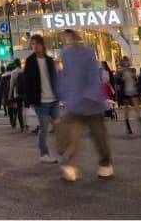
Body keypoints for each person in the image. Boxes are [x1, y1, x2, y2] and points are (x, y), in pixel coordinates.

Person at [55, 28, 113, 182]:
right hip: (75, 103)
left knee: (98, 136)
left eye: (69, 36)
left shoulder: (87, 52)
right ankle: (71, 166)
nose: (67, 40)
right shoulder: (65, 54)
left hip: (91, 103)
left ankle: (105, 162)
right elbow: (64, 76)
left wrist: (91, 93)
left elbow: (93, 74)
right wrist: (61, 93)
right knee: (70, 135)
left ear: (76, 36)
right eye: (65, 37)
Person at [21, 33, 62, 161]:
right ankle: (44, 154)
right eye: (32, 44)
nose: (34, 46)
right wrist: (30, 101)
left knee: (58, 127)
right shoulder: (30, 61)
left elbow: (55, 78)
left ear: (42, 44)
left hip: (54, 99)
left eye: (36, 43)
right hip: (40, 101)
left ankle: (62, 151)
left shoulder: (49, 60)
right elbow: (26, 82)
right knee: (44, 128)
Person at [113, 55, 141, 135]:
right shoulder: (119, 72)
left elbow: (135, 81)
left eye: (127, 61)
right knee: (126, 110)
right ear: (122, 62)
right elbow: (117, 84)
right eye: (125, 61)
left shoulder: (131, 70)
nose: (126, 62)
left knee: (137, 109)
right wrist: (117, 95)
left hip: (133, 91)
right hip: (125, 92)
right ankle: (128, 127)